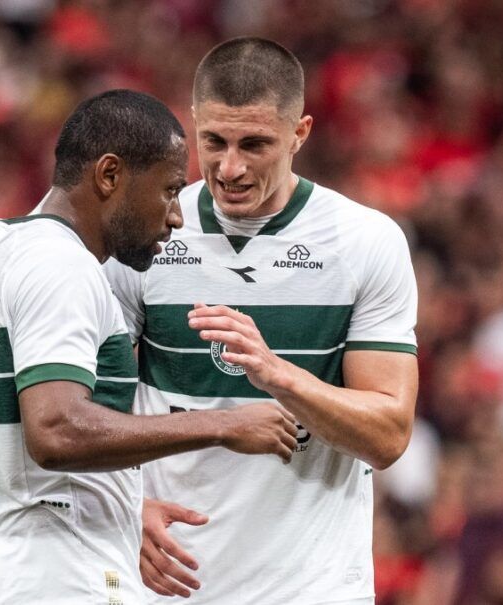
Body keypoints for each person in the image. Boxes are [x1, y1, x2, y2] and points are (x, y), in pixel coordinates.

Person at [0, 89, 300, 605]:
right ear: (110, 175)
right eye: (169, 190)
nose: (177, 216)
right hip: (62, 587)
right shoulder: (63, 267)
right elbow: (56, 430)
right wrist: (225, 425)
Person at [104, 38, 419, 604]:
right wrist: (124, 505)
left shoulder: (365, 243)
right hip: (169, 583)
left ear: (300, 133)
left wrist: (278, 375)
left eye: (255, 144)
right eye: (214, 142)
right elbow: (83, 413)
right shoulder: (144, 236)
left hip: (311, 587)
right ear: (193, 122)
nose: (230, 167)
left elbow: (388, 435)